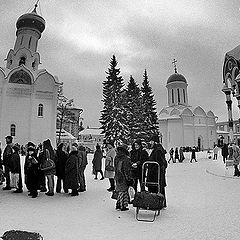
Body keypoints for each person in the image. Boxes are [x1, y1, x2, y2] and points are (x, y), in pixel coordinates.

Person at [147, 134, 168, 208]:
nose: (150, 143)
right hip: (156, 174)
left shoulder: (158, 150)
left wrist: (152, 169)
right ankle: (161, 203)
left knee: (157, 188)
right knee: (159, 188)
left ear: (155, 142)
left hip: (155, 175)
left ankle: (158, 203)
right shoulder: (157, 149)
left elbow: (160, 162)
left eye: (151, 141)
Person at [114, 144, 132, 211]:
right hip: (123, 177)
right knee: (124, 191)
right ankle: (123, 205)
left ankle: (118, 204)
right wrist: (129, 178)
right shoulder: (126, 158)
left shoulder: (116, 157)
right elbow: (126, 170)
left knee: (119, 190)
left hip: (117, 176)